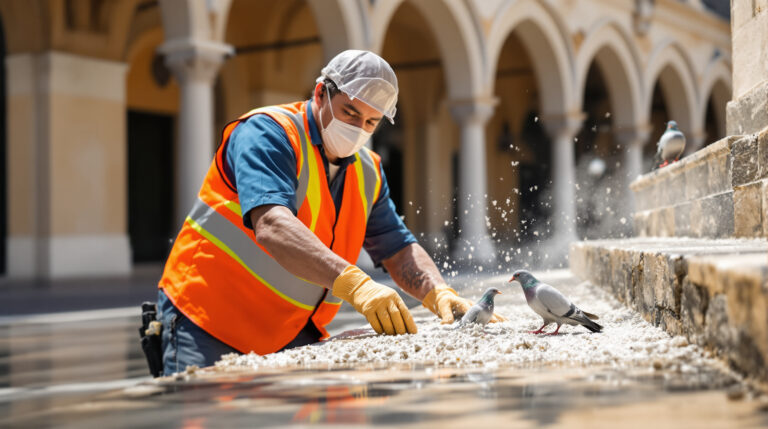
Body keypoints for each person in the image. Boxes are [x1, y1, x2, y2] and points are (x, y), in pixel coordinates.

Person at [155, 50, 504, 375]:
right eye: (350, 112)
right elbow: (272, 225)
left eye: (370, 122)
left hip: (288, 332)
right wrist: (357, 285)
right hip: (206, 321)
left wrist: (438, 292)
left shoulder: (368, 170)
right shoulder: (268, 133)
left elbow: (397, 246)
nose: (357, 128)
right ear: (321, 92)